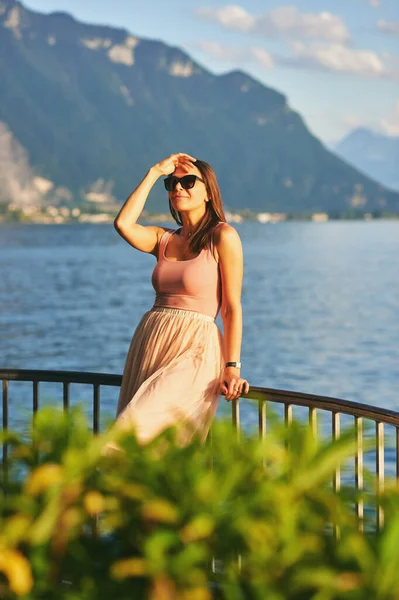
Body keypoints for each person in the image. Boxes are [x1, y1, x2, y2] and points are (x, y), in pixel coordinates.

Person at [109, 152, 249, 447]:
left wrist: (232, 367)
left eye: (188, 181)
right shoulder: (163, 239)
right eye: (171, 183)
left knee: (132, 430)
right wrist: (153, 172)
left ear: (209, 192)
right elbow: (123, 223)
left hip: (195, 347)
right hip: (152, 340)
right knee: (146, 445)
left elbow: (231, 307)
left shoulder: (222, 236)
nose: (178, 188)